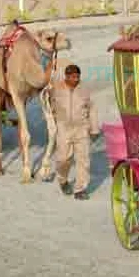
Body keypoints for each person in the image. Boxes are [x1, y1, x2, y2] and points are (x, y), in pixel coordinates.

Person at [44, 62, 100, 200]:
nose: (76, 79)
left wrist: (94, 129)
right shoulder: (56, 89)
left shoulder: (84, 89)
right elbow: (48, 106)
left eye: (78, 77)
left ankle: (80, 189)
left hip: (81, 128)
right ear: (66, 77)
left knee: (83, 160)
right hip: (64, 128)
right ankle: (63, 180)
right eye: (73, 77)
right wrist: (52, 122)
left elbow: (92, 109)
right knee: (63, 159)